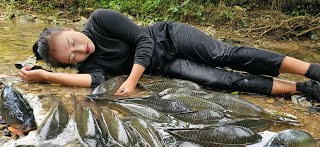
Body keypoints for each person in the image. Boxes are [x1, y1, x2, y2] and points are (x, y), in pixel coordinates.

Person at [18, 9, 320, 101]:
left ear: (72, 28)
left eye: (74, 41)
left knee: (224, 54)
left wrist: (133, 79)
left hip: (169, 36)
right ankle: (302, 89)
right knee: (220, 80)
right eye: (72, 57)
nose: (80, 50)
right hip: (169, 64)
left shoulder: (100, 20)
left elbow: (143, 41)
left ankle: (311, 69)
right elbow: (92, 80)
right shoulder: (89, 62)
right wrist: (44, 75)